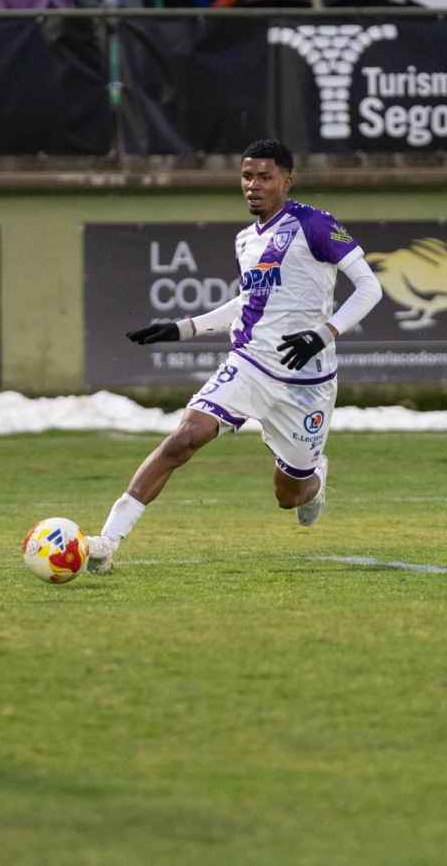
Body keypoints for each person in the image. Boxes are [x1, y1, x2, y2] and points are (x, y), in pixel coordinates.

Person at [85, 139, 383, 575]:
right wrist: (183, 328)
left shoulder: (315, 224)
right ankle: (106, 542)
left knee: (289, 496)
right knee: (184, 438)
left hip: (306, 383)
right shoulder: (246, 240)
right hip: (250, 363)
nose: (253, 186)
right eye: (247, 176)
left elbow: (369, 287)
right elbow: (246, 303)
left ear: (287, 179)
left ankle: (314, 478)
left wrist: (324, 334)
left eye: (264, 177)